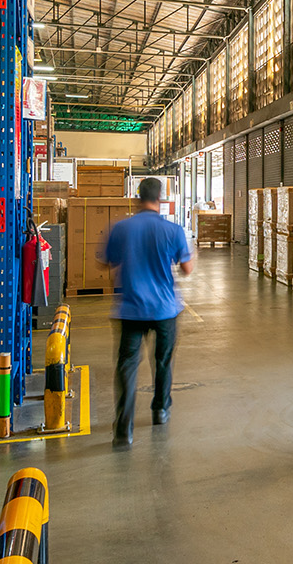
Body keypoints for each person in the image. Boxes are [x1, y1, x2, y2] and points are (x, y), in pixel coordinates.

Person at [101, 177, 194, 447]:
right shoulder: (174, 230)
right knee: (163, 361)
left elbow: (107, 263)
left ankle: (123, 430)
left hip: (130, 309)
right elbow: (186, 270)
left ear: (136, 198)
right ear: (161, 199)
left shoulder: (121, 228)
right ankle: (160, 409)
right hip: (165, 309)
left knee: (127, 367)